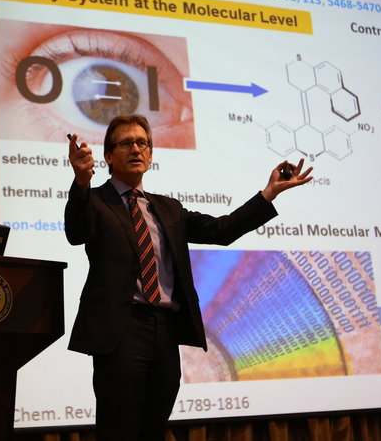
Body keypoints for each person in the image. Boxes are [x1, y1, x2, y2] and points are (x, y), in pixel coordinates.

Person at [65, 114, 313, 441]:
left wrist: (269, 194)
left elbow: (222, 231)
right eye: (125, 143)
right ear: (108, 156)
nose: (136, 148)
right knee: (119, 430)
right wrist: (81, 182)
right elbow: (76, 232)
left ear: (151, 155)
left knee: (153, 429)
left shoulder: (168, 209)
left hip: (166, 331)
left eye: (142, 143)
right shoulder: (96, 201)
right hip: (122, 330)